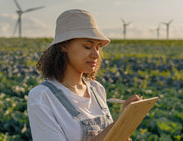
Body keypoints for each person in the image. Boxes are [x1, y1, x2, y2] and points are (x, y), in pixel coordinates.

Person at [27, 9, 141, 141]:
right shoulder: (42, 96)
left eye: (98, 47)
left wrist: (124, 124)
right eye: (87, 46)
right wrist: (119, 123)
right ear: (64, 46)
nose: (96, 54)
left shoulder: (97, 89)